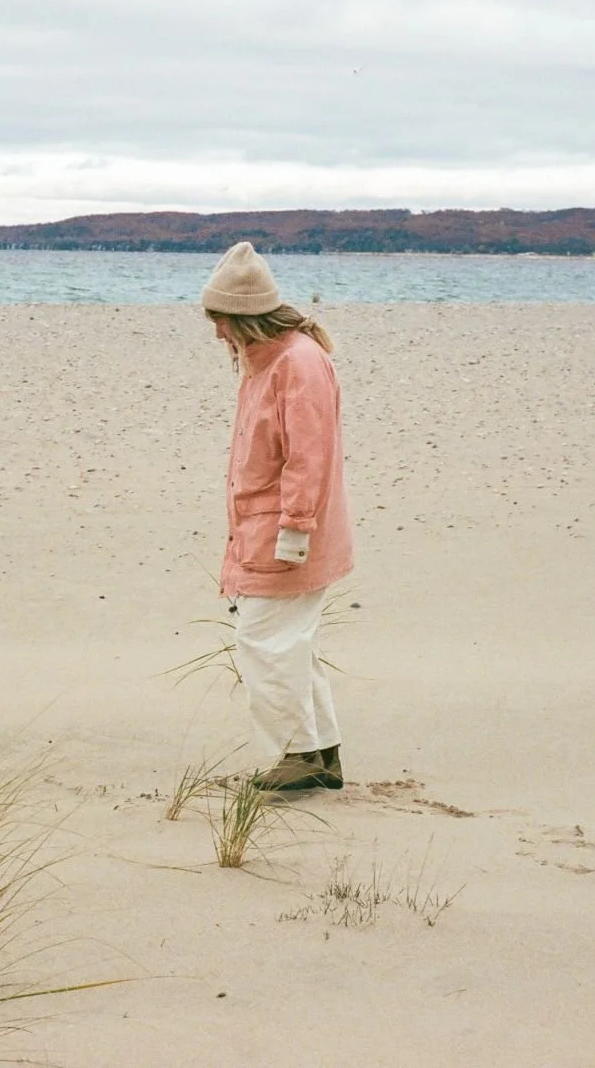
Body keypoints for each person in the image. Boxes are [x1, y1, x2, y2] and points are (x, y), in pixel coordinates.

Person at [201, 241, 354, 791]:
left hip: (287, 537)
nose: (217, 333)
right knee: (289, 644)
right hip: (265, 530)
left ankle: (297, 754)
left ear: (245, 316)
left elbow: (305, 456)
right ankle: (319, 754)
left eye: (220, 321)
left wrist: (294, 532)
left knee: (264, 643)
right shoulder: (264, 361)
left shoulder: (298, 363)